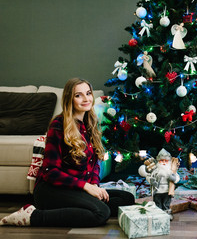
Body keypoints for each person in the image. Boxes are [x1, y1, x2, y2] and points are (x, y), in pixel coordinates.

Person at [0, 77, 135, 227]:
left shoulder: (89, 124)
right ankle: (32, 216)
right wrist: (86, 186)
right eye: (78, 95)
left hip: (77, 188)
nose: (86, 99)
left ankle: (79, 206)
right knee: (101, 213)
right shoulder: (59, 125)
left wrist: (94, 185)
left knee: (126, 198)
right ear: (69, 99)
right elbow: (50, 172)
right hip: (52, 190)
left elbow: (94, 163)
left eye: (88, 93)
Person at [138, 148, 180, 220]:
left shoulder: (171, 170)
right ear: (158, 161)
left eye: (166, 161)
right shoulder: (155, 169)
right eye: (161, 160)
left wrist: (174, 178)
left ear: (169, 161)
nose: (163, 162)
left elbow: (177, 177)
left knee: (166, 203)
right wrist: (151, 181)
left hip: (167, 190)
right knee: (157, 202)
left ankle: (166, 213)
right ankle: (158, 213)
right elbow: (148, 176)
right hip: (157, 190)